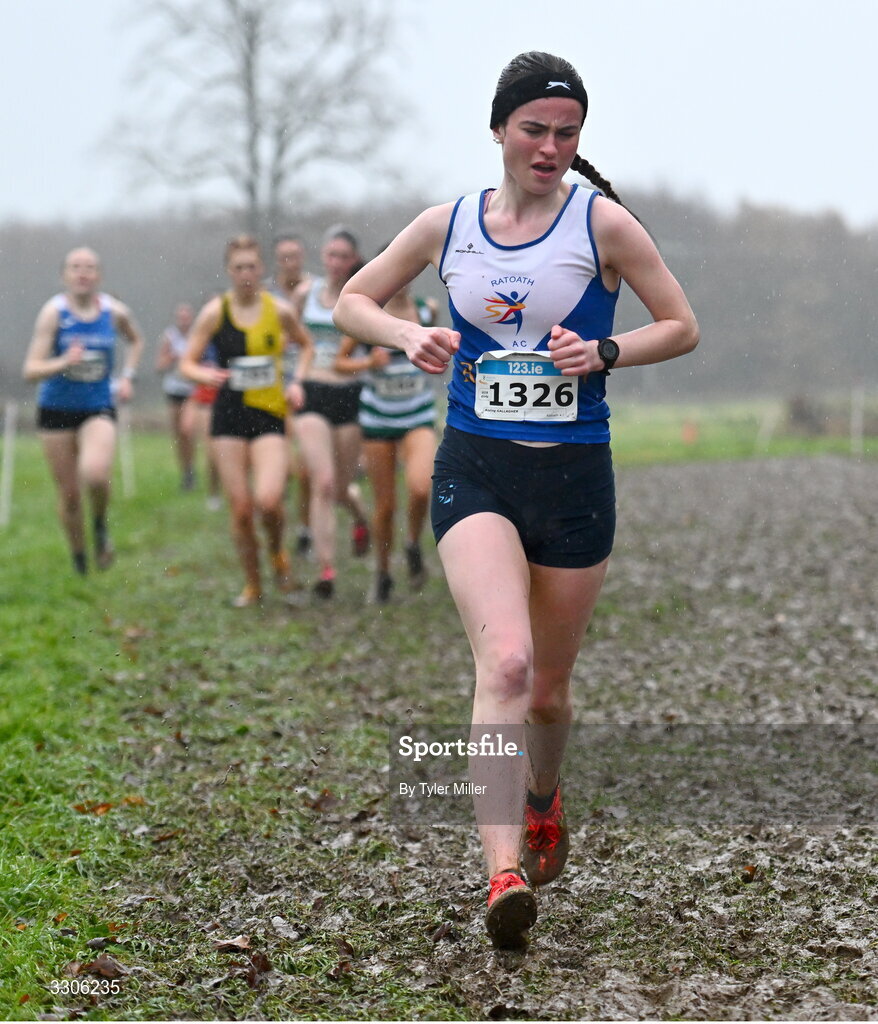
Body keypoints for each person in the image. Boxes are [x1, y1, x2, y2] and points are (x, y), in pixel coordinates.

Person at [334, 51, 699, 948]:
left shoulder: (604, 224)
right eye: (534, 129)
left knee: (547, 690)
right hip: (477, 471)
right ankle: (501, 873)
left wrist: (606, 354)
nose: (549, 147)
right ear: (498, 129)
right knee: (502, 666)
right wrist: (404, 330)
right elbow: (350, 300)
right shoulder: (446, 225)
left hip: (574, 478)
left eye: (566, 134)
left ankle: (543, 796)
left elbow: (681, 325)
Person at [180, 235, 313, 607]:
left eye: (252, 266)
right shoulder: (215, 312)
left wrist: (297, 382)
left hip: (269, 413)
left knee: (268, 501)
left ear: (262, 269)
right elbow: (186, 362)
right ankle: (252, 583)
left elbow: (306, 346)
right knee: (240, 509)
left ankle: (277, 554)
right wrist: (201, 374)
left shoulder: (279, 310)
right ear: (229, 271)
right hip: (228, 417)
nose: (245, 274)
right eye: (238, 267)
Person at [23, 247, 145, 574]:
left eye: (89, 267)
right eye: (76, 267)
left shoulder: (114, 311)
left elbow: (136, 340)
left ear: (99, 276)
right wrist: (64, 362)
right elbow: (30, 369)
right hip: (55, 410)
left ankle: (100, 524)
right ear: (65, 275)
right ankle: (79, 556)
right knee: (70, 495)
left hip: (97, 406)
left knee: (94, 473)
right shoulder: (53, 313)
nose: (83, 273)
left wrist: (127, 377)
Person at [334, 286, 439, 603]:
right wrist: (368, 364)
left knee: (421, 487)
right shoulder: (369, 317)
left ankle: (412, 543)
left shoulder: (427, 309)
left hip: (418, 414)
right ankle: (382, 574)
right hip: (379, 419)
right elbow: (339, 362)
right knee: (385, 506)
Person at [292, 227, 371, 599]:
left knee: (340, 488)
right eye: (331, 254)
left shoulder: (363, 294)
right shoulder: (303, 295)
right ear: (322, 256)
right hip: (311, 394)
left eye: (344, 256)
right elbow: (289, 339)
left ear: (353, 260)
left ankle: (358, 516)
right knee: (322, 482)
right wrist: (291, 379)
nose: (336, 262)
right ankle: (327, 570)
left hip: (347, 396)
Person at [267, 234, 313, 556]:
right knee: (281, 467)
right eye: (283, 257)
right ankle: (278, 523)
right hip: (270, 385)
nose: (290, 262)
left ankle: (306, 527)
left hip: (307, 381)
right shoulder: (265, 294)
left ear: (303, 257)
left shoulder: (314, 291)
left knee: (306, 465)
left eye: (294, 256)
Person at [155, 302, 197, 490]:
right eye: (181, 317)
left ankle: (192, 467)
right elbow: (159, 366)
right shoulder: (169, 337)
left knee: (188, 429)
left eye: (186, 317)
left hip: (193, 391)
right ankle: (186, 472)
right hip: (174, 390)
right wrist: (172, 358)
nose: (184, 320)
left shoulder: (198, 336)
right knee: (179, 434)